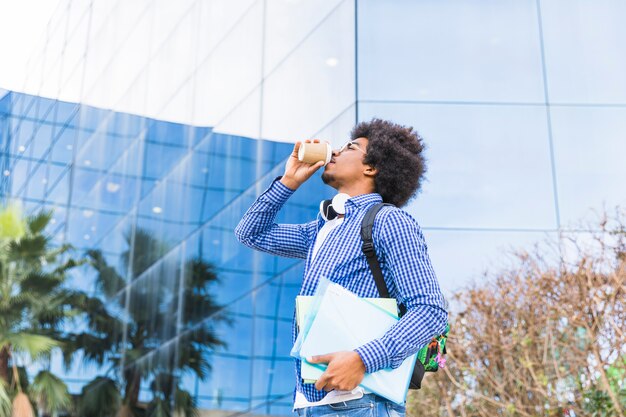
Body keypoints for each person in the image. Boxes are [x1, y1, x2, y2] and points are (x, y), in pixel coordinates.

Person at [235, 118, 448, 417]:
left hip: (361, 403)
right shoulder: (321, 230)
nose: (334, 151)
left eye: (349, 147)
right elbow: (250, 233)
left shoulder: (389, 222)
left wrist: (363, 359)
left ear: (371, 168)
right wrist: (289, 182)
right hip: (312, 405)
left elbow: (430, 311)